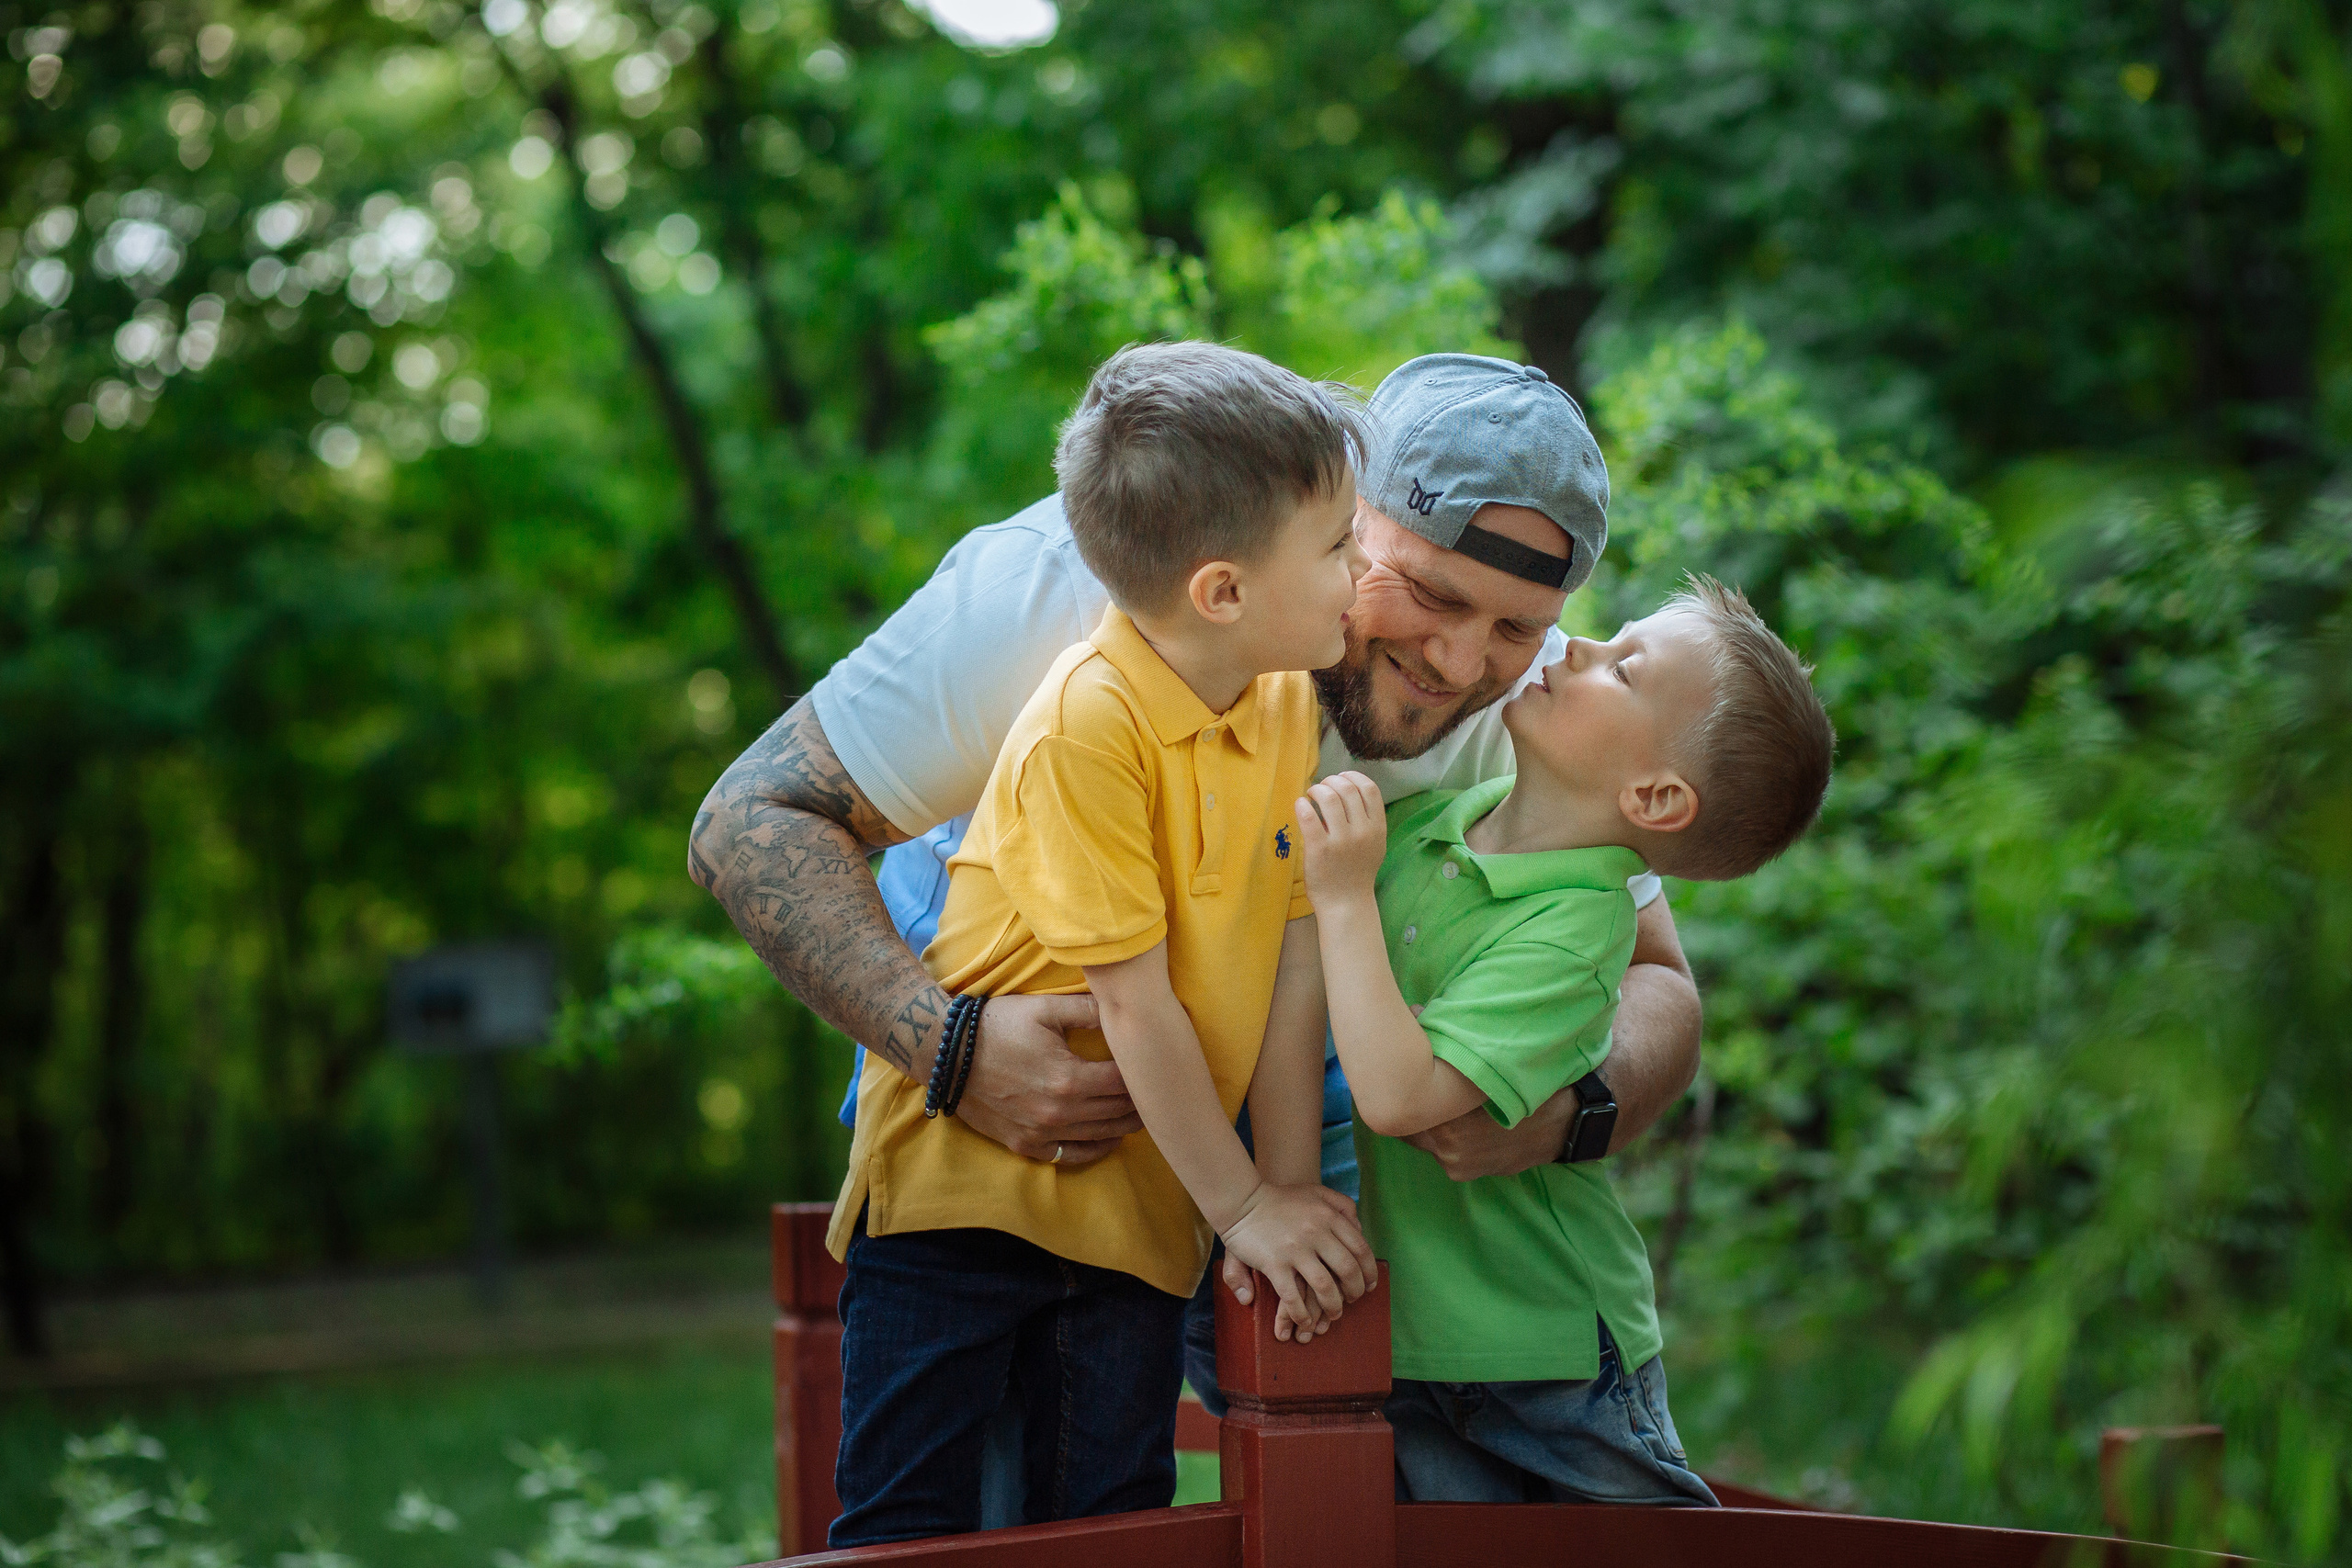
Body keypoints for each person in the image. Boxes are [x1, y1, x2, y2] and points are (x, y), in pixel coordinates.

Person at [688, 351, 1704, 1483]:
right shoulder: (1064, 591)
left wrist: (1567, 1112)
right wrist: (948, 1047)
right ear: (1339, 512)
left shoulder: (1551, 705)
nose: (1461, 663)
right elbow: (749, 821)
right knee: (969, 1497)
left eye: (1518, 628)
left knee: (1303, 1455)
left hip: (1316, 1097)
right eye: (1430, 594)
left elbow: (1658, 978)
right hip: (1019, 1086)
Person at [821, 343, 1380, 1546]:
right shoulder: (1087, 722)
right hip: (965, 1196)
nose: (1364, 567)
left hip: (1140, 1204)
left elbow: (1289, 963)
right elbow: (1134, 1003)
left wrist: (1285, 1191)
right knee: (911, 1523)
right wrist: (1245, 1204)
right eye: (1339, 544)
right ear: (1224, 591)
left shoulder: (1286, 702)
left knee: (1114, 1521)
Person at [1293, 576, 1834, 1506]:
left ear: (1655, 796)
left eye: (1621, 670)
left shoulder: (1578, 930)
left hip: (1546, 1344)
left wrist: (1340, 896)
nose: (1574, 647)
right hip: (1415, 1335)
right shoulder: (1429, 826)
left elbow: (1399, 1096)